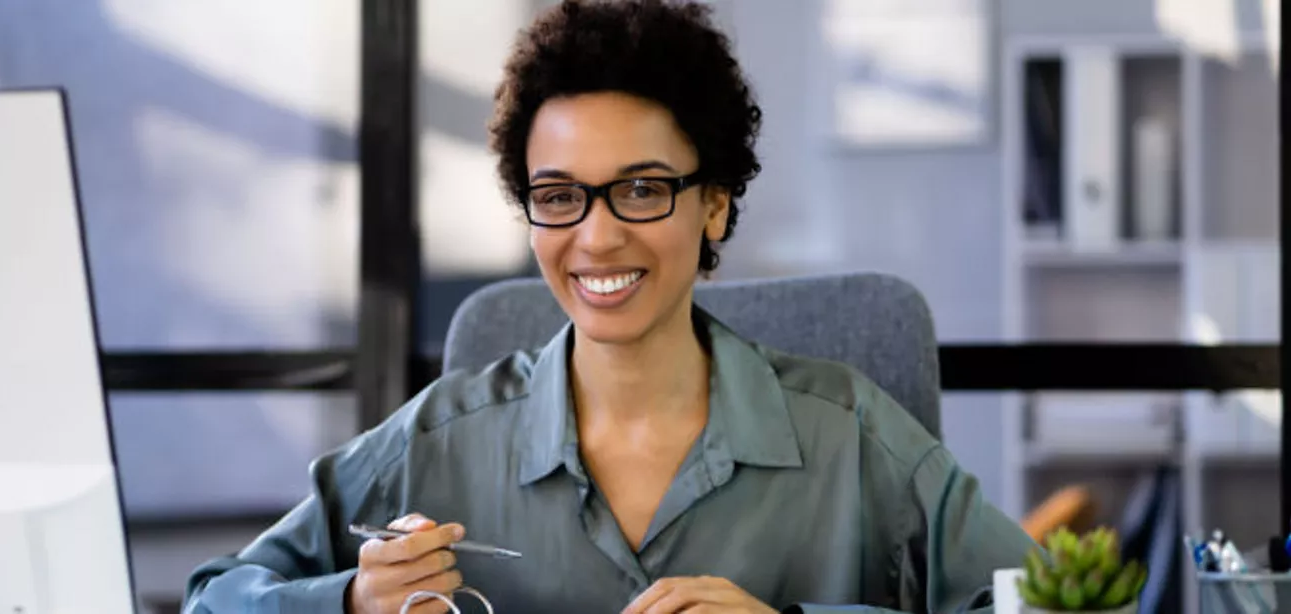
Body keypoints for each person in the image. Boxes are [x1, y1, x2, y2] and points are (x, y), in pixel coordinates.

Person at [183, 1, 1034, 612]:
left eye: (641, 188)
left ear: (715, 206)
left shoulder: (853, 437)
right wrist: (349, 602)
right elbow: (215, 599)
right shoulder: (438, 442)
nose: (595, 237)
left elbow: (1042, 607)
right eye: (558, 196)